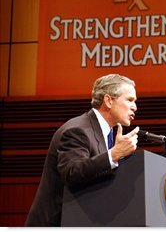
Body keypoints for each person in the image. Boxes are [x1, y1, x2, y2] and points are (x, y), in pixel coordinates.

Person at [25, 74, 139, 226]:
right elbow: (72, 172)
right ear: (108, 101)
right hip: (57, 224)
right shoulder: (77, 130)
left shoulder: (108, 134)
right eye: (130, 100)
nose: (135, 107)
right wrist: (113, 155)